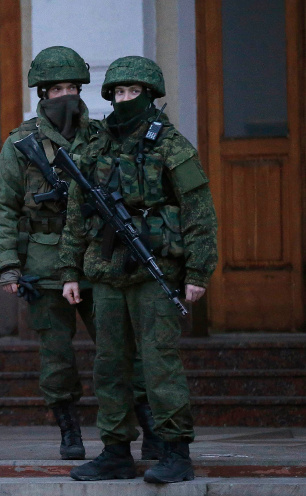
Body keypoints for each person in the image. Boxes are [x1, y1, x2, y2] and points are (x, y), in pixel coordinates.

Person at [0, 46, 160, 461]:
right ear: (42, 94)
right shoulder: (22, 143)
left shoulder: (102, 135)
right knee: (57, 354)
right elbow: (2, 207)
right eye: (56, 89)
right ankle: (69, 429)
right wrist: (9, 266)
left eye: (71, 88)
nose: (64, 96)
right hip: (45, 263)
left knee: (119, 347)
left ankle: (146, 425)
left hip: (99, 257)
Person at [59, 56, 218, 483]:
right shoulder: (94, 146)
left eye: (134, 92)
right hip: (106, 273)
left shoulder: (171, 144)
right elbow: (76, 211)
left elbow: (198, 213)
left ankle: (176, 451)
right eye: (119, 93)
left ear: (150, 96)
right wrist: (69, 271)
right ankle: (115, 451)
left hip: (155, 273)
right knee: (109, 365)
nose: (125, 99)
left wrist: (198, 273)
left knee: (159, 364)